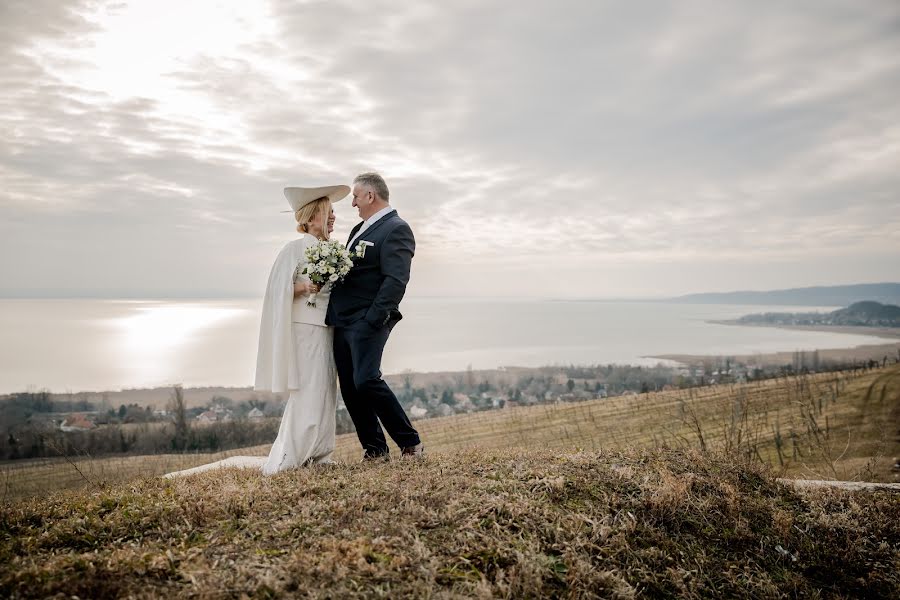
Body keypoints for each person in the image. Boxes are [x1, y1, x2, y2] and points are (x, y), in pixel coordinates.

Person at [326, 172, 424, 460]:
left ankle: (410, 443)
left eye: (356, 196)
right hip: (342, 320)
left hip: (367, 320)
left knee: (367, 379)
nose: (353, 203)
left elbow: (396, 280)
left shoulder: (396, 228)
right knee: (351, 387)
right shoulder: (359, 228)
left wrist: (373, 319)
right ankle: (375, 450)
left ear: (371, 196)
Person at [254, 184, 349, 474]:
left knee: (325, 389)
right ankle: (292, 454)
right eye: (327, 213)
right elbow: (277, 289)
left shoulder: (332, 250)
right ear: (309, 218)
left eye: (333, 213)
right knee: (307, 389)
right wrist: (304, 286)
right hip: (304, 328)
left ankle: (319, 452)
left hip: (327, 328)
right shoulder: (294, 249)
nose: (333, 217)